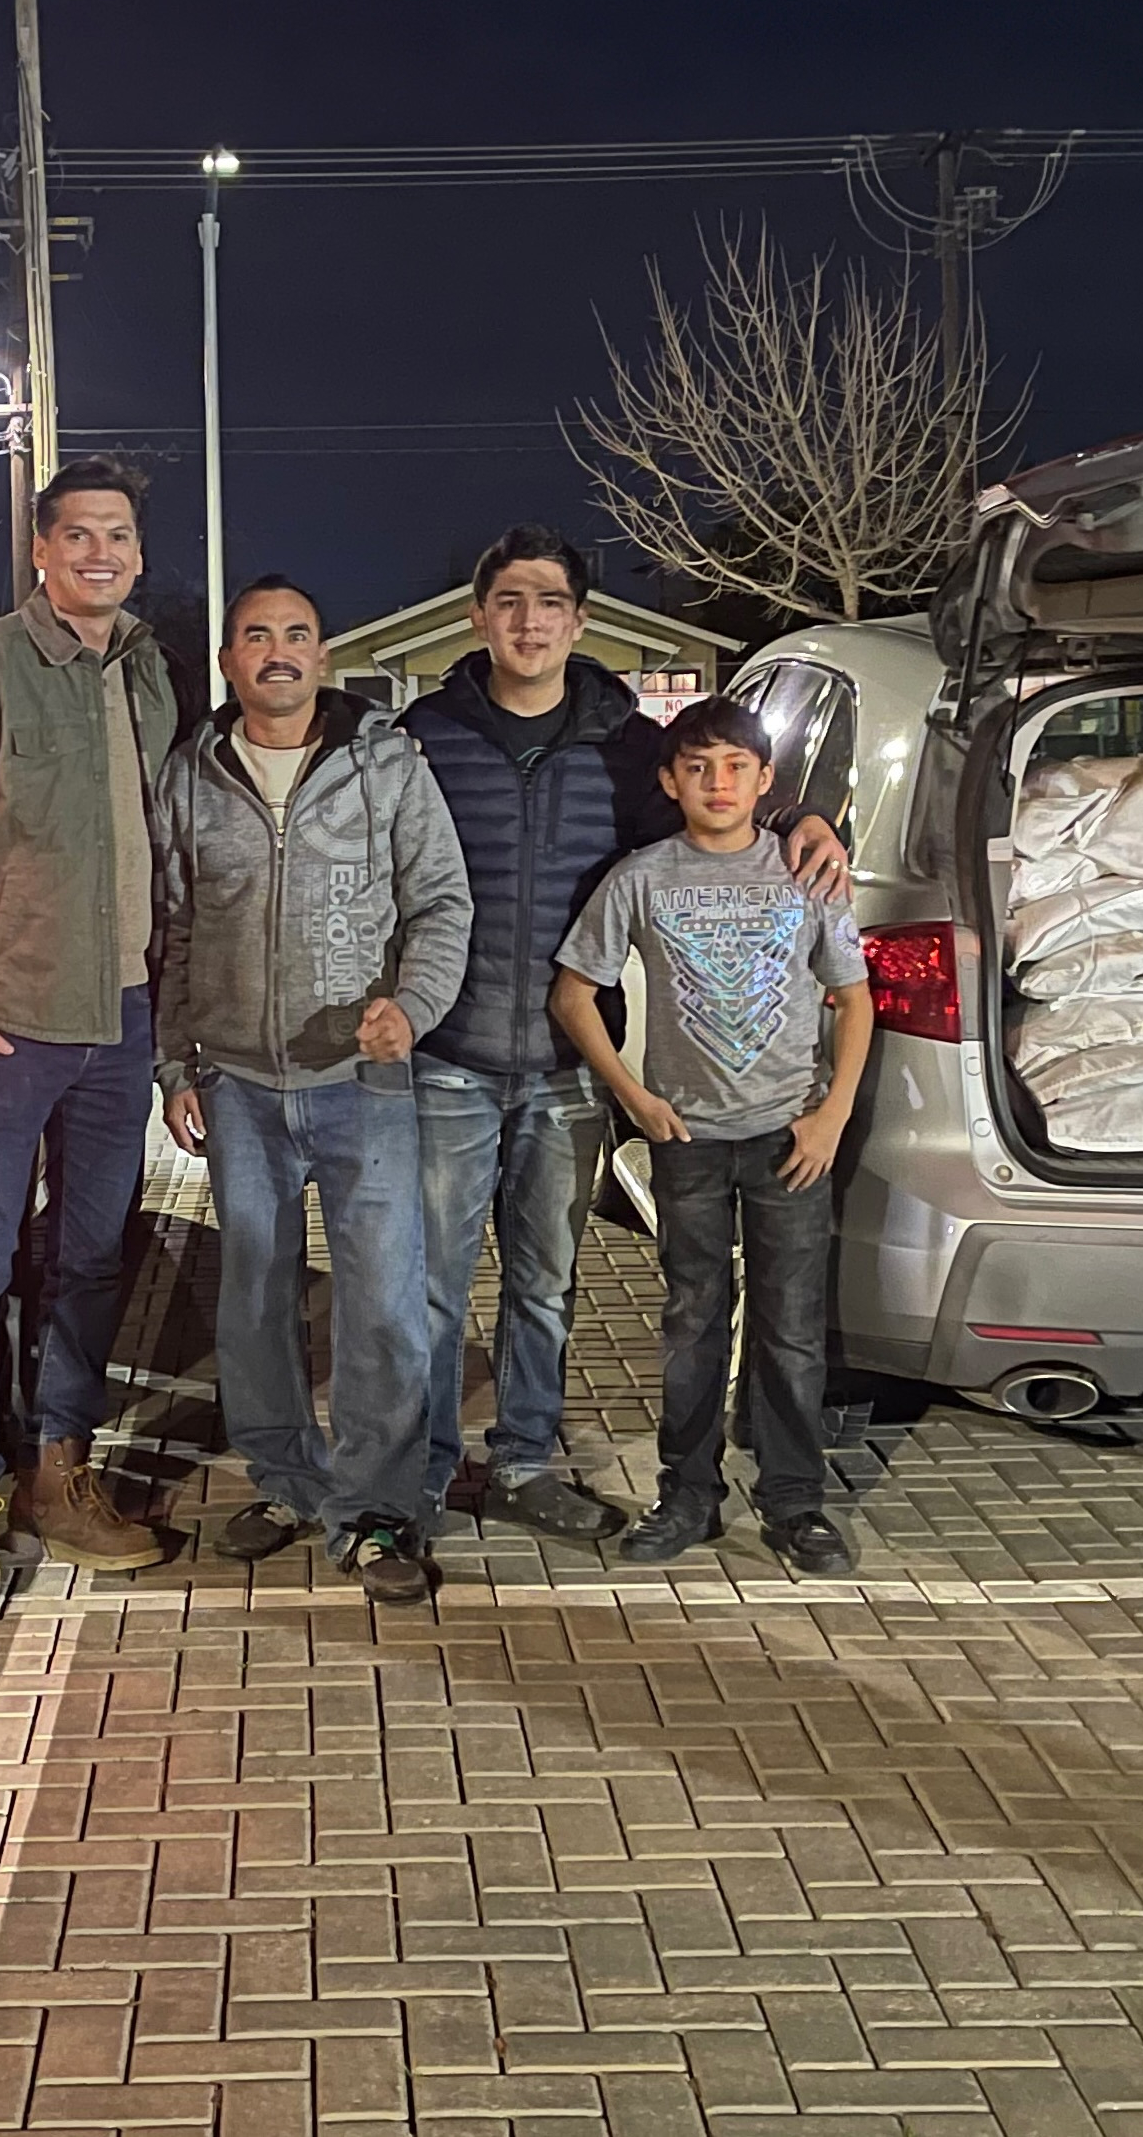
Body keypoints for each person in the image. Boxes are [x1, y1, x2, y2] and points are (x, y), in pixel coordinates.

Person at [401, 527, 848, 1540]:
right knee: (428, 1288)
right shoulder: (427, 734)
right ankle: (423, 1475)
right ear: (477, 615)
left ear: (578, 620)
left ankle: (521, 1464)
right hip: (448, 1062)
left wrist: (815, 822)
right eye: (508, 601)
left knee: (545, 1287)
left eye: (549, 602)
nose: (528, 621)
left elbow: (721, 808)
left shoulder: (629, 744)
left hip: (566, 1070)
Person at [0, 456, 179, 1624]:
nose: (99, 552)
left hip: (123, 1017)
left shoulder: (148, 674)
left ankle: (60, 1467)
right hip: (1, 1025)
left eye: (117, 535)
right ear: (42, 552)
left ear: (138, 553)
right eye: (77, 535)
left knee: (94, 1257)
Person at [157, 577, 472, 1606]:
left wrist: (411, 1008)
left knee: (379, 1302)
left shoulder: (384, 764)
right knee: (252, 1301)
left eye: (298, 633)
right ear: (229, 660)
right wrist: (175, 1064)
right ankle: (287, 1480)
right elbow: (175, 927)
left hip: (362, 1082)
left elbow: (439, 901)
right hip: (239, 1084)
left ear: (323, 657)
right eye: (257, 636)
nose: (278, 651)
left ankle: (377, 1510)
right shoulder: (191, 774)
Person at [547, 696, 871, 1575]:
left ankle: (795, 1500)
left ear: (766, 782)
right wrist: (632, 1097)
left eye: (736, 767)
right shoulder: (642, 877)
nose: (717, 783)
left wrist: (832, 1113)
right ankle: (687, 1494)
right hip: (687, 1137)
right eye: (697, 768)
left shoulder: (809, 878)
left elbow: (855, 999)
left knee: (792, 1327)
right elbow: (574, 993)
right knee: (694, 1320)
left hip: (789, 1140)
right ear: (670, 780)